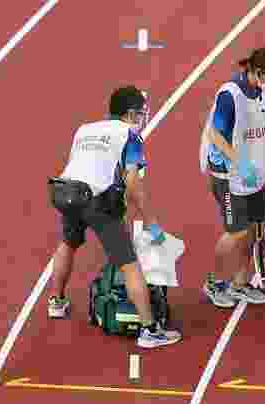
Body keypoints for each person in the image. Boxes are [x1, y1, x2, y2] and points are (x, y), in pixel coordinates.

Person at [47, 85, 182, 349]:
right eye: (142, 113)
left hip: (67, 192)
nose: (144, 119)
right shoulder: (130, 136)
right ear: (131, 114)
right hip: (97, 203)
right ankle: (149, 330)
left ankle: (56, 301)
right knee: (129, 265)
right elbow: (132, 185)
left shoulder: (84, 129)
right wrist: (151, 222)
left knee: (68, 243)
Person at [199, 47, 265, 308]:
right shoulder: (230, 94)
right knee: (236, 232)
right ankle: (213, 282)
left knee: (252, 229)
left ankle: (239, 283)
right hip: (228, 173)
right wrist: (241, 164)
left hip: (255, 173)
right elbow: (216, 134)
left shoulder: (260, 90)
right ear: (258, 72)